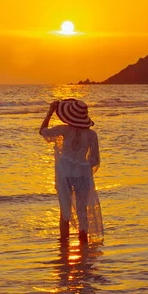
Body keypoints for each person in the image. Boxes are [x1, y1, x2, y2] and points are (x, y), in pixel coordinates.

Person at [39, 99, 103, 243]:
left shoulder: (64, 130)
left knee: (64, 212)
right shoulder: (92, 135)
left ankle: (64, 246)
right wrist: (82, 165)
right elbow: (95, 161)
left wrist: (50, 112)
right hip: (83, 175)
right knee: (82, 212)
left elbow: (43, 132)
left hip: (65, 174)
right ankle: (83, 245)